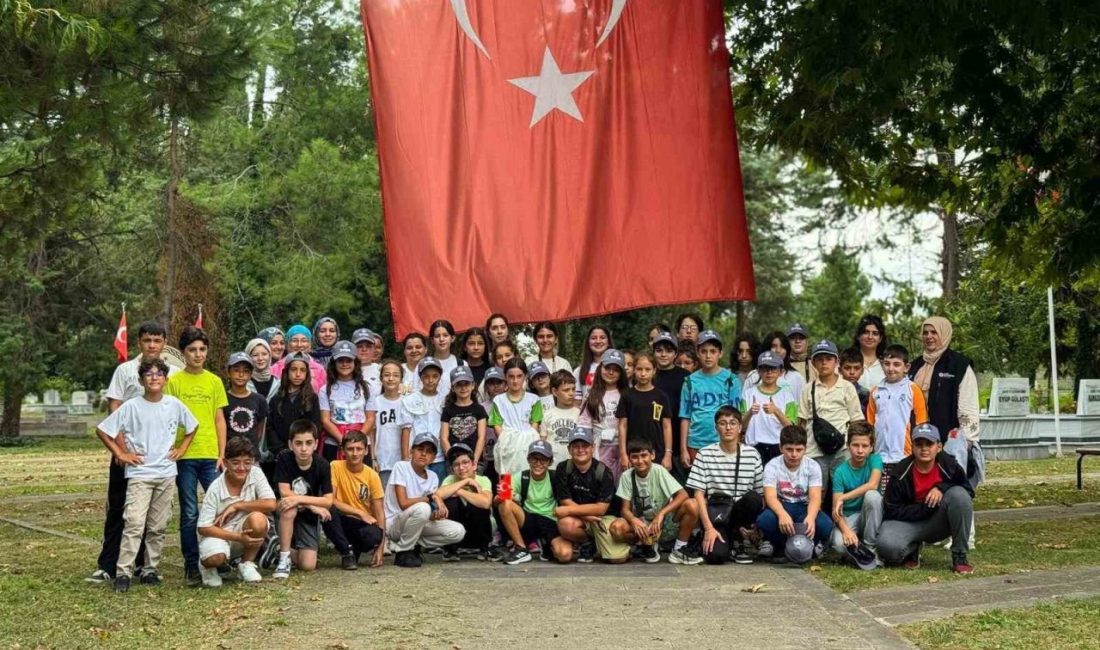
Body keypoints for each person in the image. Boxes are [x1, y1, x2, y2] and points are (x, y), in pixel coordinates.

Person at [88, 321, 180, 585]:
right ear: (139, 342)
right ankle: (108, 563)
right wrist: (122, 449)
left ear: (164, 343)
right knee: (120, 508)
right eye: (147, 340)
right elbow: (115, 407)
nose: (152, 345)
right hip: (128, 451)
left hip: (158, 456)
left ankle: (143, 564)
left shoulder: (173, 372)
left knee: (152, 514)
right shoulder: (126, 370)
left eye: (157, 340)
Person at [96, 357, 199, 592]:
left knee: (158, 525)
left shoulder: (174, 405)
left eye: (159, 374)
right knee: (134, 522)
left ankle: (150, 569)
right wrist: (121, 453)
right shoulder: (132, 406)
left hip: (166, 473)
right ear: (142, 380)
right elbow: (103, 430)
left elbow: (192, 426)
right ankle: (124, 571)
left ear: (165, 379)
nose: (154, 378)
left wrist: (182, 449)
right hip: (140, 474)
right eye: (149, 374)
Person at [165, 326, 229, 587]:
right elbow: (169, 418)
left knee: (220, 508)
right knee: (190, 512)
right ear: (183, 352)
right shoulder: (174, 382)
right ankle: (191, 564)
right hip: (185, 456)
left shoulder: (214, 381)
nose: (198, 354)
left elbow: (219, 419)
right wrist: (174, 449)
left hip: (211, 455)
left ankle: (220, 556)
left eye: (202, 349)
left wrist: (222, 453)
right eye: (192, 350)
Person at [878, 424, 975, 574]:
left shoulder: (949, 465)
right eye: (919, 444)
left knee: (960, 495)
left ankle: (959, 555)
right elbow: (891, 509)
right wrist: (924, 508)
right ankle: (912, 549)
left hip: (939, 521)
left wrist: (941, 488)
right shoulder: (900, 471)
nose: (924, 449)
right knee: (886, 547)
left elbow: (968, 490)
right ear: (912, 447)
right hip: (909, 522)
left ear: (939, 446)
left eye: (929, 444)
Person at [908, 316, 983, 491]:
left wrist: (967, 440)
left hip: (950, 440)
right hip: (919, 439)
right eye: (925, 332)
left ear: (945, 334)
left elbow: (969, 406)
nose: (929, 336)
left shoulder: (959, 365)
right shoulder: (915, 366)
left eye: (934, 332)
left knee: (951, 488)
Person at [687, 406, 763, 565]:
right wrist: (708, 528)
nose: (728, 427)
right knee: (715, 557)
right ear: (716, 428)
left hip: (740, 512)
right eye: (722, 423)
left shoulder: (752, 454)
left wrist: (756, 526)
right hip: (717, 513)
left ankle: (739, 540)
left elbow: (761, 494)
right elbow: (698, 494)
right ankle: (719, 540)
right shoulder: (704, 454)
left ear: (740, 427)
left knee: (753, 498)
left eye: (733, 423)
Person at [196, 436, 276, 587]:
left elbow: (271, 504)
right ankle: (207, 567)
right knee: (215, 558)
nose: (242, 468)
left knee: (259, 519)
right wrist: (238, 537)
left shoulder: (256, 473)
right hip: (219, 534)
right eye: (235, 462)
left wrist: (238, 505)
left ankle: (246, 564)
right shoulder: (215, 488)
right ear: (225, 463)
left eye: (247, 462)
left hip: (243, 529)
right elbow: (203, 527)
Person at [610, 438, 700, 564]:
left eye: (644, 455)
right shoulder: (627, 476)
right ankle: (645, 545)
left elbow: (683, 495)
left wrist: (661, 514)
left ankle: (679, 549)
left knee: (693, 504)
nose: (640, 461)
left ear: (652, 455)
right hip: (643, 524)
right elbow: (625, 510)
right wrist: (633, 520)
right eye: (635, 457)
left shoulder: (659, 471)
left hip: (664, 522)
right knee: (616, 527)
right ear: (629, 458)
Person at [383, 432, 466, 567]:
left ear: (433, 458)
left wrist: (436, 515)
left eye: (428, 452)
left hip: (416, 523)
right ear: (411, 451)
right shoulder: (401, 466)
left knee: (458, 531)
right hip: (395, 524)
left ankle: (413, 545)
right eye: (420, 449)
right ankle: (403, 551)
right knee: (423, 507)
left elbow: (427, 514)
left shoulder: (433, 476)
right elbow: (403, 503)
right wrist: (430, 497)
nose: (423, 454)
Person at [799, 340, 864, 504]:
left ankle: (842, 521)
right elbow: (801, 422)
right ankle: (815, 520)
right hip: (814, 450)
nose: (824, 363)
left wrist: (856, 447)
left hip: (842, 449)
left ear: (837, 362)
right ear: (813, 363)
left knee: (843, 493)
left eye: (828, 359)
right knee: (815, 495)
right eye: (819, 359)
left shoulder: (847, 387)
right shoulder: (808, 388)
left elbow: (857, 421)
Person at [550, 429, 629, 563]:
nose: (580, 450)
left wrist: (569, 511)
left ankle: (623, 544)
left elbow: (601, 508)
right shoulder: (563, 468)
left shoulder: (604, 472)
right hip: (579, 518)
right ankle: (588, 543)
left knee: (617, 559)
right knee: (565, 524)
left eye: (585, 446)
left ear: (593, 448)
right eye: (576, 446)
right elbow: (565, 500)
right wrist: (585, 516)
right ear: (569, 449)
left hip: (603, 518)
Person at [756, 424, 832, 562]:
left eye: (799, 450)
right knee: (765, 520)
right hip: (782, 505)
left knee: (825, 524)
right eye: (789, 449)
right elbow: (770, 496)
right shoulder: (772, 465)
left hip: (804, 506)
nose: (794, 454)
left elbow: (815, 497)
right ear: (781, 448)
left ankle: (811, 545)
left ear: (805, 449)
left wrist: (811, 517)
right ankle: (779, 546)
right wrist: (782, 514)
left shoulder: (812, 466)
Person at [272, 420, 334, 580]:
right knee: (289, 506)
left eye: (308, 443)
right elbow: (285, 492)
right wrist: (313, 505)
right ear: (290, 444)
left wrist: (305, 503)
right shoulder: (284, 458)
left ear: (316, 444)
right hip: (285, 509)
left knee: (308, 565)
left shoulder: (322, 465)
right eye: (298, 443)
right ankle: (284, 558)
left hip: (307, 515)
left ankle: (276, 548)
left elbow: (328, 501)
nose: (304, 448)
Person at [867, 344, 928, 489]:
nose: (891, 368)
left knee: (902, 492)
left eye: (896, 364)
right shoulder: (875, 391)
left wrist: (918, 450)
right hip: (880, 455)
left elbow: (921, 423)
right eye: (887, 364)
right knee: (881, 493)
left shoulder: (912, 389)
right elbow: (870, 424)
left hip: (904, 454)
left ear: (906, 367)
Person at [323, 431, 386, 570]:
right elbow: (331, 500)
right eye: (350, 449)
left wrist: (380, 548)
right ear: (343, 450)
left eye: (359, 449)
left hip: (361, 525)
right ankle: (346, 552)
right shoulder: (335, 466)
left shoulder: (372, 475)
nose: (355, 453)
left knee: (374, 535)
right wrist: (360, 513)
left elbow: (380, 513)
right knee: (328, 510)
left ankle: (353, 550)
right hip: (342, 520)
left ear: (366, 451)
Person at [679, 330, 742, 469]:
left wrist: (736, 445)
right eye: (704, 351)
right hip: (696, 443)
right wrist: (683, 449)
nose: (708, 356)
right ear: (697, 353)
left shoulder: (731, 380)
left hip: (723, 442)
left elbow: (736, 417)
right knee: (699, 482)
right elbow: (685, 417)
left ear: (720, 353)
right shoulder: (689, 381)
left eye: (713, 351)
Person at [497, 440, 560, 565]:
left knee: (564, 554)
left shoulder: (556, 476)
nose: (538, 463)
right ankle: (521, 548)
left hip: (550, 520)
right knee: (505, 503)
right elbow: (497, 501)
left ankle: (545, 544)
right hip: (528, 518)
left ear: (550, 462)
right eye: (534, 459)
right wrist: (503, 496)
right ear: (528, 460)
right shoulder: (519, 476)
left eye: (543, 459)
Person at [829, 422, 884, 563]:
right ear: (848, 445)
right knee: (838, 545)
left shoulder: (875, 459)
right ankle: (857, 544)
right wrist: (846, 531)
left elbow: (873, 484)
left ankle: (870, 548)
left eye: (865, 446)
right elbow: (836, 510)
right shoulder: (840, 471)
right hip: (849, 516)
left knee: (873, 496)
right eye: (855, 445)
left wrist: (843, 497)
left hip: (871, 514)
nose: (860, 450)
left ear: (871, 447)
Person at [265, 353, 321, 484]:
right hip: (281, 456)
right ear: (286, 372)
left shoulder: (312, 398)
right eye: (294, 369)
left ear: (307, 373)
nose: (298, 374)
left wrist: (304, 447)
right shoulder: (276, 400)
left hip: (304, 454)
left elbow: (316, 426)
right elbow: (270, 428)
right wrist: (280, 450)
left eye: (302, 370)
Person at [319, 340, 375, 462]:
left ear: (355, 362)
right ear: (334, 363)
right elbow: (325, 420)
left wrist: (357, 440)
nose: (345, 364)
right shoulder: (325, 389)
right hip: (334, 443)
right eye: (340, 360)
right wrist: (343, 441)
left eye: (348, 360)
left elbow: (370, 418)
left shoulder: (366, 388)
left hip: (360, 444)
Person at [740, 351, 798, 468]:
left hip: (778, 447)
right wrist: (750, 412)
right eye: (765, 369)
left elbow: (791, 428)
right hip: (753, 447)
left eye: (773, 369)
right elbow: (741, 426)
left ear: (780, 371)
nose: (769, 373)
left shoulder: (787, 396)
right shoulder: (747, 394)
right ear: (758, 371)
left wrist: (776, 411)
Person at [615, 351, 672, 470]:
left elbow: (666, 426)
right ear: (634, 370)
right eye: (639, 369)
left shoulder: (661, 396)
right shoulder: (627, 395)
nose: (643, 373)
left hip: (656, 451)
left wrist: (668, 454)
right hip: (633, 452)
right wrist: (623, 454)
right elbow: (622, 426)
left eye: (647, 369)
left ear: (654, 370)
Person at [439, 444, 496, 561]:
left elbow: (486, 503)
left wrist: (459, 491)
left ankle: (484, 548)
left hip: (478, 531)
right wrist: (466, 481)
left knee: (478, 503)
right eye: (456, 464)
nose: (461, 468)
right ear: (452, 469)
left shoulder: (483, 480)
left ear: (474, 465)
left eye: (465, 462)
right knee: (451, 502)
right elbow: (438, 494)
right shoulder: (449, 480)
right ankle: (450, 549)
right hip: (456, 533)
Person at [578, 349, 628, 479]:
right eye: (607, 368)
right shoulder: (591, 394)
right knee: (603, 482)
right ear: (600, 368)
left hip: (624, 448)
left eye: (616, 370)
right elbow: (584, 425)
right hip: (600, 449)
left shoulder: (627, 394)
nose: (611, 372)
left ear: (621, 373)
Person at [489, 358, 543, 476]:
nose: (515, 381)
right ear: (505, 376)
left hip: (528, 448)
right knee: (507, 484)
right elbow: (497, 425)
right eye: (511, 376)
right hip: (506, 449)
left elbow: (534, 426)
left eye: (519, 376)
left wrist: (524, 441)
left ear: (525, 376)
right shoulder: (498, 400)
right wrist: (508, 442)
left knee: (527, 480)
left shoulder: (534, 400)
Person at [399, 357, 447, 479]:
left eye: (435, 376)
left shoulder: (446, 400)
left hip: (439, 457)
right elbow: (406, 430)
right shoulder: (410, 400)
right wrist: (405, 458)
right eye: (426, 376)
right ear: (420, 377)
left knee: (439, 489)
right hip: (416, 457)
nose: (430, 380)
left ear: (440, 377)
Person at [652, 332, 690, 483]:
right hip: (653, 440)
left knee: (680, 486)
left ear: (675, 354)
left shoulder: (685, 376)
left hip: (679, 440)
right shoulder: (648, 374)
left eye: (668, 351)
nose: (663, 354)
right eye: (659, 350)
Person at [440, 365, 488, 464]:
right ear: (453, 388)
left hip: (474, 460)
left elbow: (481, 437)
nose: (463, 388)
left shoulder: (479, 409)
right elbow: (444, 438)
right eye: (458, 384)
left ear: (473, 385)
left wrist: (474, 460)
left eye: (466, 384)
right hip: (454, 461)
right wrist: (452, 459)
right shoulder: (447, 410)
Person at [370, 360, 405, 489]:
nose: (391, 379)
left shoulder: (407, 402)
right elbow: (372, 433)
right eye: (387, 375)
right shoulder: (375, 402)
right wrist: (373, 458)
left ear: (401, 379)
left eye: (395, 375)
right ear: (381, 378)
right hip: (382, 461)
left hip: (402, 461)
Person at [224, 352, 268, 453]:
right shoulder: (222, 398)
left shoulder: (259, 400)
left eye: (246, 371)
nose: (241, 375)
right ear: (228, 372)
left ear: (251, 374)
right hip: (229, 455)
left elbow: (259, 429)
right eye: (236, 370)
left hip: (252, 455)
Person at [270, 324, 327, 392]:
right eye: (294, 341)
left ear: (310, 344)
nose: (299, 345)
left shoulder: (320, 370)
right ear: (287, 344)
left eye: (304, 341)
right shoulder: (275, 368)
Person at [542, 370, 580, 465]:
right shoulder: (547, 414)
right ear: (555, 391)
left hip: (574, 465)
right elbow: (543, 441)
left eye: (573, 389)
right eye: (566, 390)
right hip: (552, 465)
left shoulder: (580, 414)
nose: (571, 393)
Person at [760, 330, 806, 399]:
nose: (778, 350)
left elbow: (803, 403)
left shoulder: (796, 378)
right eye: (774, 346)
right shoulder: (754, 376)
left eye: (782, 346)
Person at [574, 325, 613, 406]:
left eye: (602, 337)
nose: (598, 341)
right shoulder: (579, 371)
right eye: (594, 338)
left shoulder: (617, 369)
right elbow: (577, 403)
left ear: (608, 342)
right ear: (588, 343)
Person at [853, 315, 888, 390]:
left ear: (880, 338)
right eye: (866, 332)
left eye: (875, 333)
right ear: (858, 336)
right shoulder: (847, 362)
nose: (870, 337)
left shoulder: (887, 364)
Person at [839, 347, 870, 415]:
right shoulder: (833, 391)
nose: (852, 372)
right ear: (840, 370)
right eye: (847, 368)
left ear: (862, 371)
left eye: (856, 368)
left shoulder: (866, 395)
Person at [352, 328, 382, 398]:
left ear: (374, 349)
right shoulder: (345, 370)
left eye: (368, 346)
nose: (364, 349)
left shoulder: (382, 370)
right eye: (359, 346)